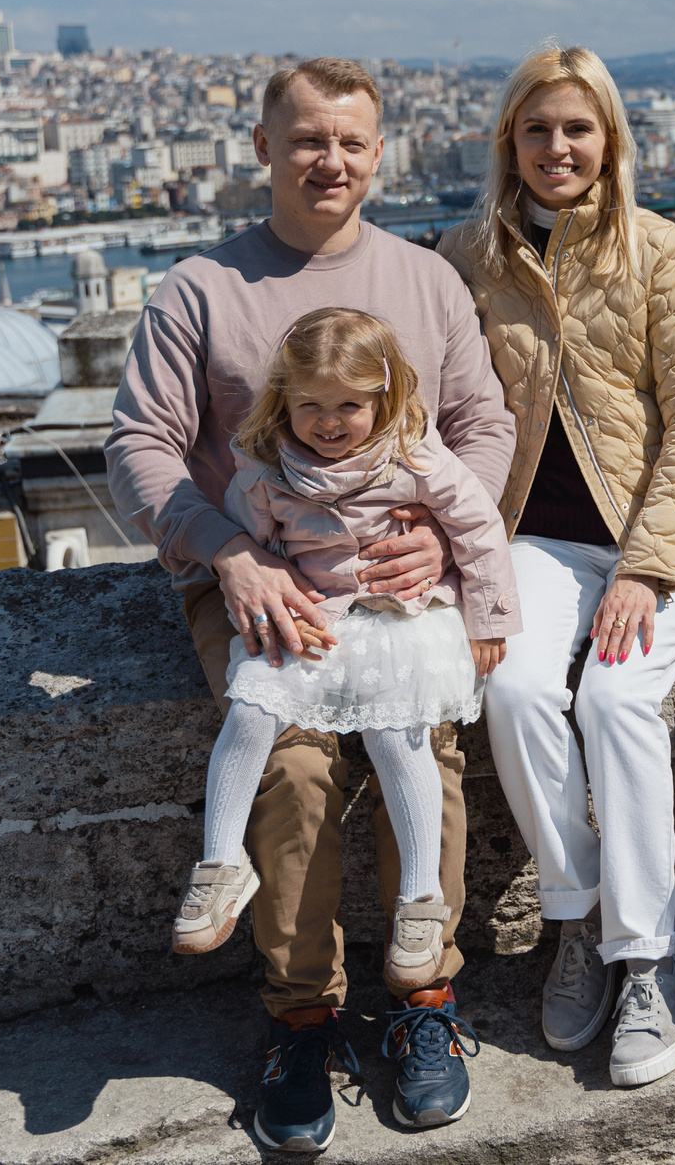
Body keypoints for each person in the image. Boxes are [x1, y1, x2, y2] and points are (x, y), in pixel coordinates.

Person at [109, 58, 515, 1154]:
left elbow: (482, 427)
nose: (327, 161)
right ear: (262, 148)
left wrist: (440, 533)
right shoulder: (200, 289)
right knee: (288, 766)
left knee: (420, 746)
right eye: (305, 141)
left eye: (349, 142)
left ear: (377, 152)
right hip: (265, 580)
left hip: (399, 586)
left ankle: (425, 995)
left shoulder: (427, 281)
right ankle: (303, 1015)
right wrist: (227, 551)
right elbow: (140, 445)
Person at [439, 42, 675, 1090]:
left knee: (615, 703)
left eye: (576, 128)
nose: (556, 147)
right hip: (534, 538)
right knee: (516, 684)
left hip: (660, 540)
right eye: (537, 128)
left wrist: (645, 571)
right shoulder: (469, 255)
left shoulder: (654, 247)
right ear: (508, 142)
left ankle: (646, 956)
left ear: (609, 139)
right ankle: (577, 919)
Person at [175, 308, 519, 1080]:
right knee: (256, 713)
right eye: (312, 407)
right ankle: (220, 866)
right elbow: (247, 542)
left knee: (405, 736)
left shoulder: (414, 456)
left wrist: (489, 613)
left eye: (350, 407)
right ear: (284, 403)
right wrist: (254, 588)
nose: (330, 425)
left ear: (384, 399)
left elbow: (479, 526)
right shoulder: (264, 472)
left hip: (399, 616)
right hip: (318, 615)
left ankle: (424, 913)